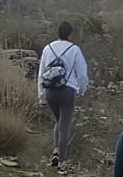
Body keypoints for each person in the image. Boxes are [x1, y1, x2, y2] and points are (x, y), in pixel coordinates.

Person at [36, 21, 89, 165]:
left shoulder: (48, 48)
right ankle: (62, 160)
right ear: (70, 34)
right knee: (64, 125)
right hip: (67, 90)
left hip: (50, 90)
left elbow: (41, 74)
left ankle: (55, 151)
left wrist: (41, 96)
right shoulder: (74, 49)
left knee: (58, 121)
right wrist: (82, 89)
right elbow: (82, 74)